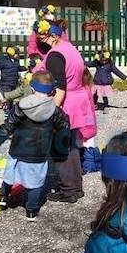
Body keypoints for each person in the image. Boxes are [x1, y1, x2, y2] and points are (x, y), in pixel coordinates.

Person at [0, 71, 70, 222]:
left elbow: (8, 126)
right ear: (52, 91)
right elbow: (64, 129)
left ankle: (2, 198)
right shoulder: (55, 111)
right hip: (39, 154)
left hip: (18, 150)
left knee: (9, 176)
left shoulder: (21, 106)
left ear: (32, 89)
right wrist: (62, 149)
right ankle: (31, 211)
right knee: (35, 184)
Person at [34, 22, 96, 203]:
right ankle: (76, 188)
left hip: (65, 103)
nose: (41, 40)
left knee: (61, 149)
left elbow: (60, 87)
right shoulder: (70, 48)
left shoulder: (55, 55)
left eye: (43, 37)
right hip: (77, 102)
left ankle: (68, 191)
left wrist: (50, 112)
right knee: (71, 147)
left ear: (53, 36)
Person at [85, 48, 127, 114]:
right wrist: (80, 60)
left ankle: (106, 106)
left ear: (108, 59)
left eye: (105, 60)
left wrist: (124, 77)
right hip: (97, 82)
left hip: (105, 83)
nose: (103, 62)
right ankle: (94, 105)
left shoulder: (110, 64)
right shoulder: (97, 63)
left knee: (104, 96)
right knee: (95, 94)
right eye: (102, 61)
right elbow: (89, 63)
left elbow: (116, 71)